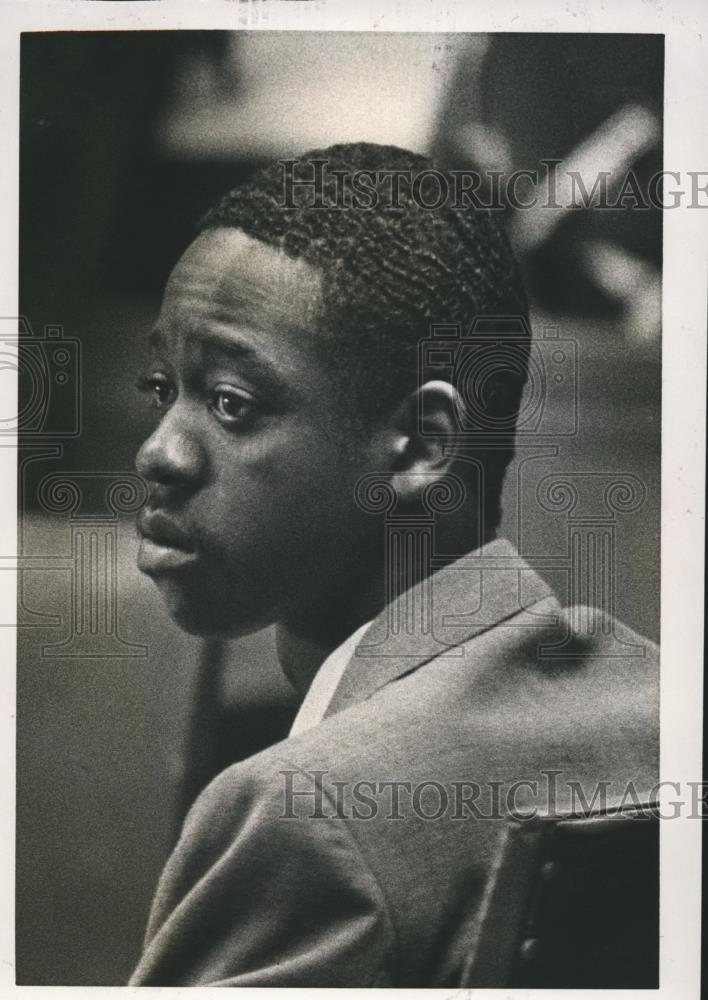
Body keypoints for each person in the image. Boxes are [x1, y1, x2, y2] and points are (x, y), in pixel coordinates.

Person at [130, 144, 659, 987]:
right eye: (163, 389)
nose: (158, 452)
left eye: (232, 402)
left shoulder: (306, 817)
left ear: (421, 445)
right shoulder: (663, 707)